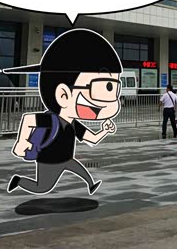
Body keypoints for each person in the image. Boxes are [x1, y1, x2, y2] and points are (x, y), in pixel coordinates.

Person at [6, 29, 120, 196]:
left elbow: (93, 139)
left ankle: (91, 185)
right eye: (100, 89)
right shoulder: (50, 120)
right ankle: (18, 181)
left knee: (80, 169)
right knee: (42, 188)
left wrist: (105, 130)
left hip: (66, 159)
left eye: (113, 89)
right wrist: (22, 142)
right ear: (63, 95)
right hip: (49, 161)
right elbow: (29, 119)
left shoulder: (74, 124)